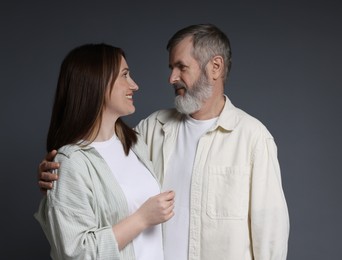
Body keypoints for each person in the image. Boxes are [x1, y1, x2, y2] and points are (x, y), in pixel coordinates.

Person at [38, 24, 290, 260]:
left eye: (181, 67)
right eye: (171, 67)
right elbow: (100, 166)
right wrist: (56, 176)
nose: (171, 78)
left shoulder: (253, 138)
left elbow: (270, 235)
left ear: (215, 67)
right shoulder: (150, 129)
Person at [34, 43, 175, 260]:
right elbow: (77, 253)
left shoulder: (136, 144)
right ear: (97, 84)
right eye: (125, 75)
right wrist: (141, 219)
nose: (134, 85)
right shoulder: (71, 162)